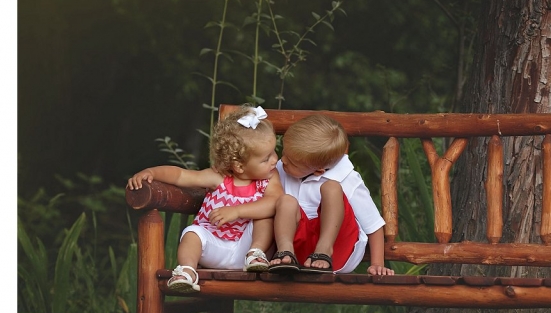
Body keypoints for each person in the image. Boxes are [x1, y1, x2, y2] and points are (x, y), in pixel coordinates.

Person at [126, 105, 288, 293]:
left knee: (264, 215)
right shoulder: (218, 178)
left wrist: (237, 211)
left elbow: (275, 202)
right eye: (266, 158)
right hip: (214, 249)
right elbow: (181, 176)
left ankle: (256, 254)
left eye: (274, 152)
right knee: (192, 232)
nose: (274, 160)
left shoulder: (269, 179)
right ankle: (187, 270)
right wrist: (151, 172)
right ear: (239, 166)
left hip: (248, 249)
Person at [268, 113, 394, 276]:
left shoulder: (347, 178)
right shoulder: (282, 168)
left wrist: (377, 264)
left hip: (337, 250)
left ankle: (323, 249)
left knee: (331, 188)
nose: (283, 160)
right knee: (286, 201)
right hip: (299, 252)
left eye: (292, 162)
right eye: (284, 152)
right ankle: (285, 253)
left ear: (319, 170)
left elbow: (374, 225)